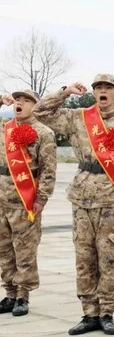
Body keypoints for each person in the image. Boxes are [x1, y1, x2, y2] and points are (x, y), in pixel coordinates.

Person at [36, 75, 114, 336]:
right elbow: (41, 112)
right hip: (82, 196)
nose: (103, 92)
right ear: (93, 92)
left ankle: (107, 312)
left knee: (109, 255)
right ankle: (89, 312)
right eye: (99, 88)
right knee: (84, 257)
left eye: (108, 88)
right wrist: (65, 92)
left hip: (112, 197)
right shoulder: (79, 117)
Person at [0, 91, 57, 317]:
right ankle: (10, 293)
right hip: (2, 199)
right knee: (4, 250)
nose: (20, 104)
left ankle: (23, 295)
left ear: (35, 105)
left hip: (25, 201)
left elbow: (48, 170)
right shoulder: (5, 128)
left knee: (24, 250)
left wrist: (41, 199)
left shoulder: (44, 132)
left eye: (26, 100)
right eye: (17, 100)